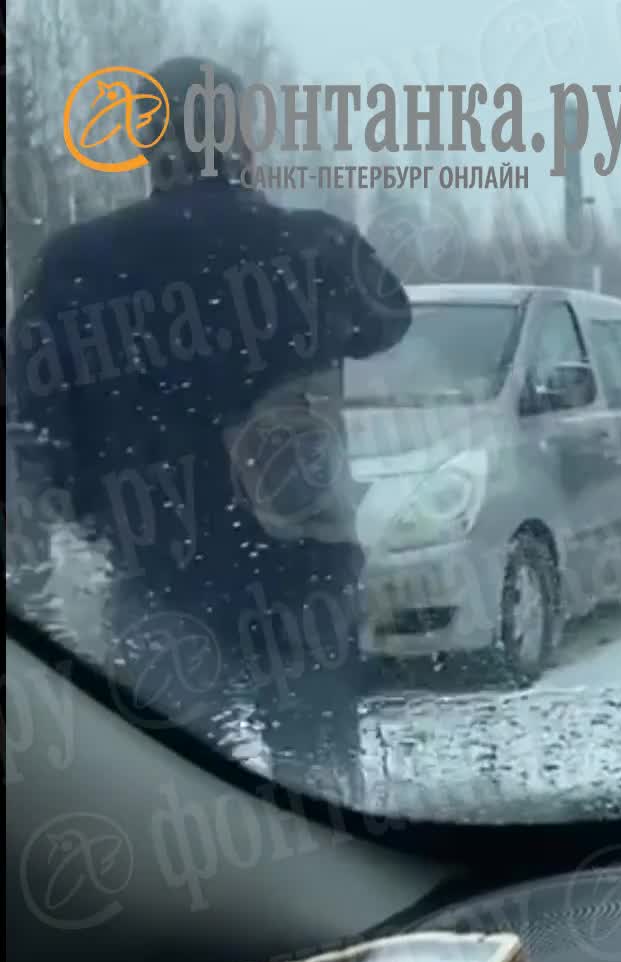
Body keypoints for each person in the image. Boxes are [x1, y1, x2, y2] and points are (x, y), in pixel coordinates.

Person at [4, 56, 412, 801]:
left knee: (167, 800)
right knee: (319, 787)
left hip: (156, 573)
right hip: (300, 572)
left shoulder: (73, 265)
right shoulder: (312, 247)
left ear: (143, 143)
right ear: (242, 140)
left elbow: (33, 438)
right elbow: (388, 317)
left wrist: (80, 528)